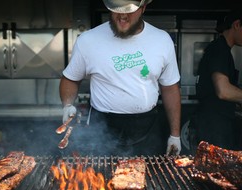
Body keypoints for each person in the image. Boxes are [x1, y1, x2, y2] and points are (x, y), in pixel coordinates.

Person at [59, 0, 181, 156]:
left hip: (147, 127)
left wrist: (175, 135)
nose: (122, 16)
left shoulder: (162, 40)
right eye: (117, 9)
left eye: (129, 10)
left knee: (147, 178)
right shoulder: (88, 40)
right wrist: (67, 105)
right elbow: (70, 79)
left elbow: (170, 88)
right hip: (102, 126)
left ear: (143, 8)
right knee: (100, 178)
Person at [191, 10, 242, 153]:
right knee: (216, 171)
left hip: (216, 124)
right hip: (213, 127)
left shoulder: (221, 49)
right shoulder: (219, 50)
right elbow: (223, 91)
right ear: (237, 25)